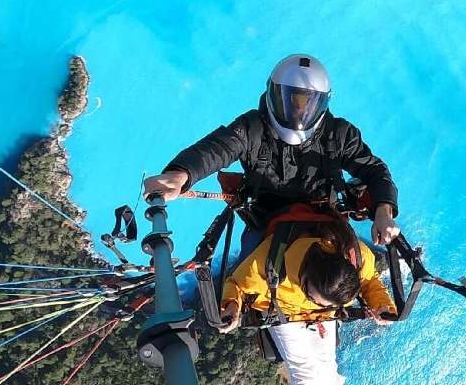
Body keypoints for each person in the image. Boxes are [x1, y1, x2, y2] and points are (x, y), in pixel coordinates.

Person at [142, 54, 401, 252]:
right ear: (273, 94)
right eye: (291, 101)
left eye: (307, 104)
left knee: (352, 272)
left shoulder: (339, 134)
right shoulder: (252, 128)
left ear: (322, 104)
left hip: (324, 220)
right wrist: (182, 173)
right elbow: (217, 148)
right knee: (249, 287)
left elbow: (374, 170)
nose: (298, 113)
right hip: (266, 222)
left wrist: (383, 211)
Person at [216, 214, 394, 385]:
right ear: (304, 280)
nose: (319, 304)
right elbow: (237, 284)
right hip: (285, 313)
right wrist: (231, 306)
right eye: (314, 299)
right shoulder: (269, 263)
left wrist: (382, 305)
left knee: (328, 367)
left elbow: (369, 281)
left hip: (324, 316)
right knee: (305, 373)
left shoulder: (356, 257)